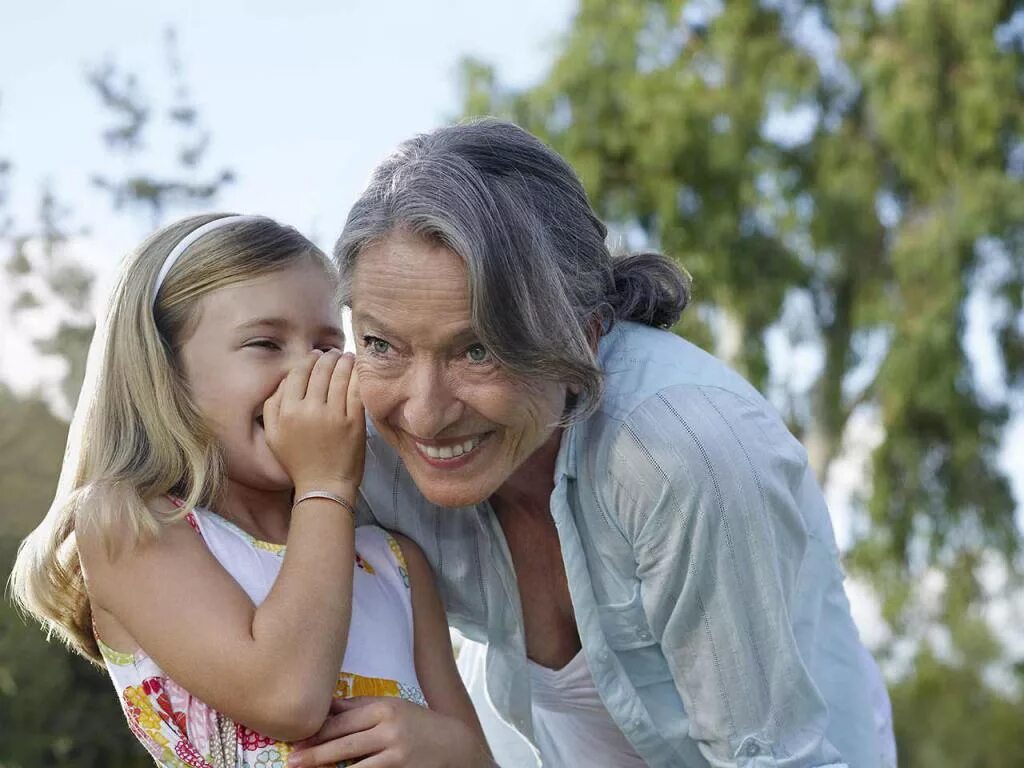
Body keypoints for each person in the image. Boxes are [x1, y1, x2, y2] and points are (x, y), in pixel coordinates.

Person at [298, 119, 897, 768]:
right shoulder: (352, 445)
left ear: (582, 335)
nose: (424, 412)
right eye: (383, 345)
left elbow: (771, 760)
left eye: (478, 349)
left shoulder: (685, 458)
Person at [10, 214, 491, 768]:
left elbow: (478, 756)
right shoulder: (130, 523)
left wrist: (452, 750)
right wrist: (326, 484)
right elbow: (287, 696)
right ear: (166, 375)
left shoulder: (396, 565)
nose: (307, 370)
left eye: (328, 344)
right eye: (265, 343)